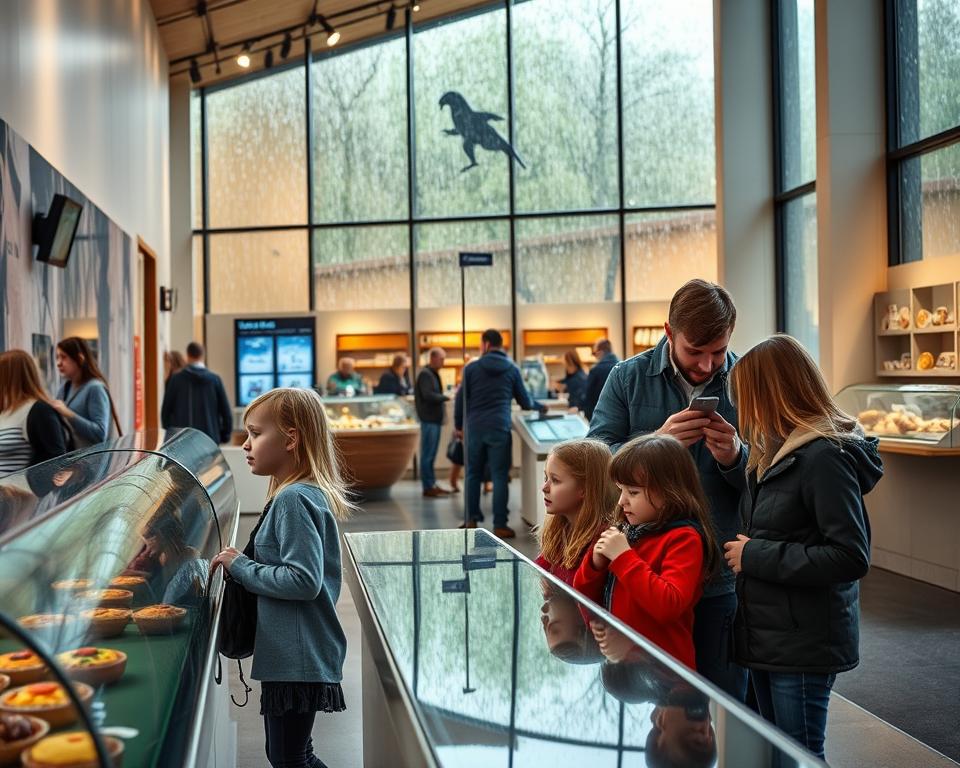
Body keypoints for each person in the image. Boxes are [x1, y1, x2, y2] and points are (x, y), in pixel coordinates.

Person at [722, 334, 882, 761]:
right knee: (777, 752)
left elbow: (850, 555)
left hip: (802, 642)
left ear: (770, 395)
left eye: (747, 398)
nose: (742, 410)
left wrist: (753, 556)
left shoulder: (824, 458)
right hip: (770, 637)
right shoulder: (772, 452)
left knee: (802, 754)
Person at [587, 279, 748, 701]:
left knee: (726, 701)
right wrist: (654, 446)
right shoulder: (627, 377)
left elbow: (771, 476)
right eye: (695, 351)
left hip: (720, 576)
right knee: (656, 701)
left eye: (719, 350)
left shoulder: (746, 379)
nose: (708, 364)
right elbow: (596, 460)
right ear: (668, 332)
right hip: (645, 571)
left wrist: (735, 455)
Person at [210, 388, 352, 768]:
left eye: (256, 433)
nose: (245, 445)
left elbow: (303, 580)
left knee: (289, 757)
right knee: (290, 753)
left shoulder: (293, 500)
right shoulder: (298, 495)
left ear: (290, 439)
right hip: (295, 653)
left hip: (298, 656)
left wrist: (240, 566)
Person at [573, 434, 719, 670]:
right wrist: (595, 564)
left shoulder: (684, 539)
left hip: (667, 671)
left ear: (669, 491)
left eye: (633, 492)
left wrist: (622, 558)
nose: (621, 502)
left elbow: (668, 606)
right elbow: (581, 592)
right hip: (627, 664)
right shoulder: (627, 530)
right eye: (621, 490)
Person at [454, 329, 543, 538]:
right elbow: (525, 401)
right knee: (500, 476)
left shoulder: (471, 369)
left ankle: (470, 519)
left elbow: (460, 401)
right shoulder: (511, 369)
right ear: (501, 345)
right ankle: (500, 524)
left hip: (474, 428)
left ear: (485, 344)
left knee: (472, 474)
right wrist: (540, 406)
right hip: (499, 428)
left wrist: (459, 426)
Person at [535, 439, 618, 586]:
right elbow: (537, 574)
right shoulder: (560, 530)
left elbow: (585, 598)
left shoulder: (603, 540)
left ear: (585, 489)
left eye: (555, 480)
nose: (544, 487)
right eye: (546, 478)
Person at [0, 350, 69, 475]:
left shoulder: (39, 411)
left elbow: (56, 459)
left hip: (21, 492)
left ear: (10, 377)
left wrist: (24, 490)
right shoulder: (4, 410)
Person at [52, 337, 122, 447]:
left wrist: (69, 414)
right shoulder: (65, 387)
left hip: (91, 462)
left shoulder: (95, 388)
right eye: (57, 357)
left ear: (80, 358)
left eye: (64, 357)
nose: (59, 363)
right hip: (70, 460)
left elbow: (100, 433)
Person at [161, 341, 233, 445]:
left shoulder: (176, 379)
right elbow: (226, 413)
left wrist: (171, 436)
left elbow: (166, 412)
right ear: (203, 355)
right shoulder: (215, 380)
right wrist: (224, 436)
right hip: (209, 441)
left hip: (181, 442)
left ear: (188, 355)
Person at [415, 347, 452, 498]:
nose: (443, 362)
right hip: (429, 419)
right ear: (433, 358)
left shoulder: (432, 374)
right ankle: (428, 486)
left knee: (431, 453)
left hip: (433, 419)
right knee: (428, 454)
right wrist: (446, 397)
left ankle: (431, 483)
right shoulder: (425, 374)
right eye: (442, 359)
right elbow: (428, 395)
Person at [582, 338, 618, 421]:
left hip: (601, 418)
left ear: (600, 352)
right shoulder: (624, 367)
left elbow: (589, 398)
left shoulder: (596, 370)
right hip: (622, 417)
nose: (594, 357)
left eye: (594, 353)